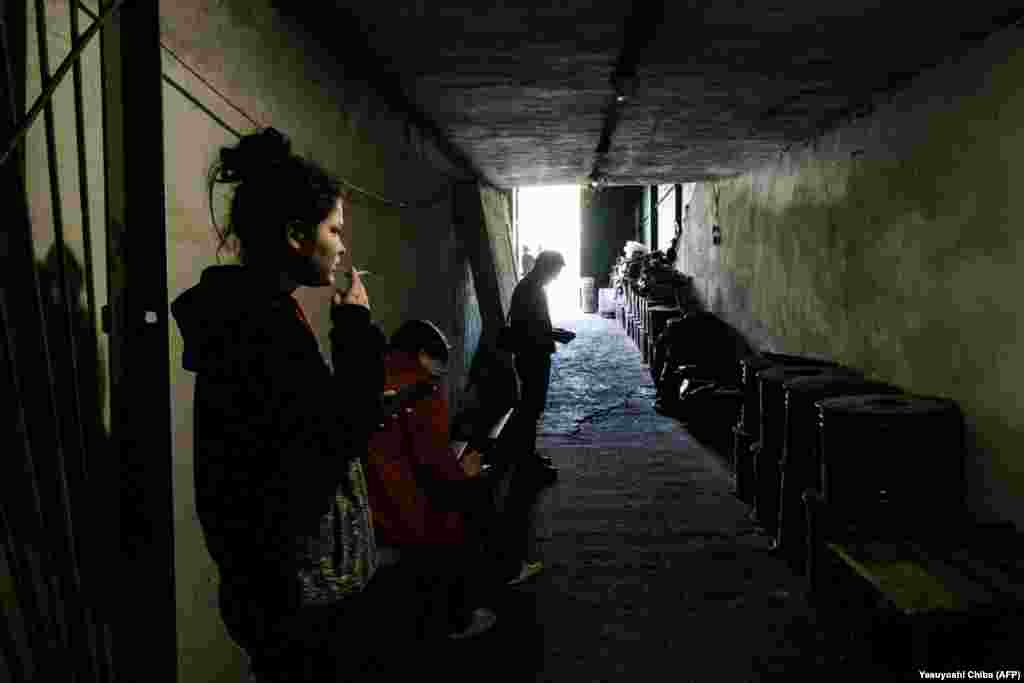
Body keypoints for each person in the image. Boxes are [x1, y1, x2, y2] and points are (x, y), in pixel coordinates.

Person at [170, 127, 391, 681]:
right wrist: (356, 329)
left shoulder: (253, 312)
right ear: (296, 234)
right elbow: (339, 433)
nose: (341, 245)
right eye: (334, 229)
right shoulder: (260, 326)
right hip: (294, 596)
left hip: (272, 589)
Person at [362, 319, 499, 642]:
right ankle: (458, 619)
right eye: (439, 359)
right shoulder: (421, 390)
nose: (441, 368)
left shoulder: (370, 379)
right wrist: (465, 474)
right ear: (422, 355)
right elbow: (433, 464)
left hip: (375, 504)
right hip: (410, 507)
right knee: (462, 517)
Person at [505, 250, 575, 478]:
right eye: (555, 272)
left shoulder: (531, 288)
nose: (555, 277)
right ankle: (525, 462)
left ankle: (527, 455)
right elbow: (527, 330)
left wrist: (554, 332)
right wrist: (555, 336)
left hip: (534, 354)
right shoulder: (528, 290)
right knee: (529, 409)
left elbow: (534, 325)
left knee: (532, 409)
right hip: (531, 356)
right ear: (546, 267)